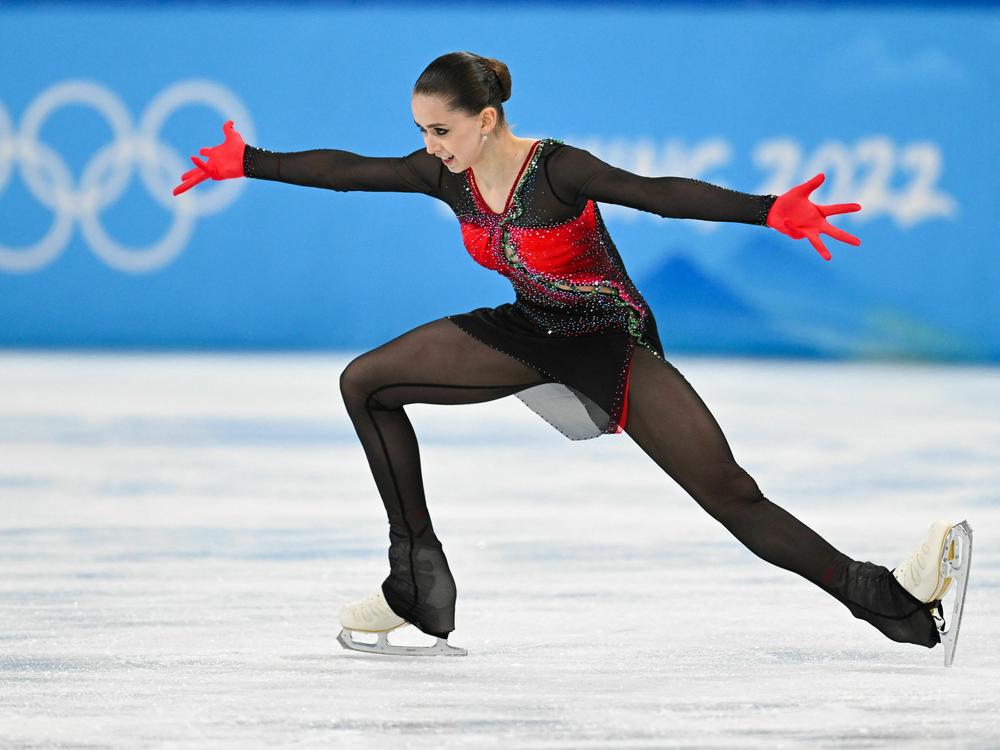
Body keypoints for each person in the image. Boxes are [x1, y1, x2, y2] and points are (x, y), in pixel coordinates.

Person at [172, 51, 971, 663]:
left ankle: (891, 601)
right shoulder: (444, 176)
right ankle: (416, 579)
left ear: (486, 119)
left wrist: (769, 212)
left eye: (440, 129)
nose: (428, 145)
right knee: (366, 383)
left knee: (730, 492)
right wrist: (250, 162)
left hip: (605, 340)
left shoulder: (556, 170)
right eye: (421, 131)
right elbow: (350, 172)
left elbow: (659, 191)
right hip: (525, 329)